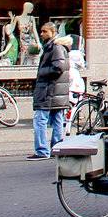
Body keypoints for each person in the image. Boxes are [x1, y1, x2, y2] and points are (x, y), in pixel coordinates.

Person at [29, 22, 69, 160]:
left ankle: (42, 151)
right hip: (55, 91)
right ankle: (56, 148)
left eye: (45, 31)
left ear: (53, 32)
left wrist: (41, 72)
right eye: (41, 31)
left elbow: (58, 68)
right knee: (57, 119)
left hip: (49, 90)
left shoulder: (55, 47)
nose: (41, 34)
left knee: (40, 120)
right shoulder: (54, 47)